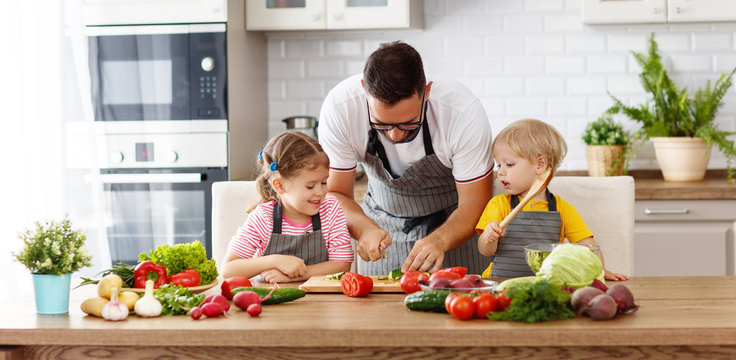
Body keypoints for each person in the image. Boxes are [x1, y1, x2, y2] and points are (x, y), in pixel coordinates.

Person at [318, 41, 493, 275]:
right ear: (364, 91)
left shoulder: (461, 112)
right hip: (382, 228)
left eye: (409, 124)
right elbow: (335, 193)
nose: (395, 135)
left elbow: (475, 202)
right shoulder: (341, 108)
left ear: (427, 92)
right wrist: (364, 229)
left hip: (455, 227)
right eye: (381, 124)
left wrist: (441, 239)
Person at [476, 118, 629, 281]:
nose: (500, 172)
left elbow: (588, 245)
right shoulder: (499, 204)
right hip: (501, 283)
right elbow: (486, 250)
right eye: (499, 165)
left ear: (540, 165)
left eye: (509, 164)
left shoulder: (562, 209)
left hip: (547, 284)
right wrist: (488, 237)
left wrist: (600, 269)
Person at [221, 131, 353, 283]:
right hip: (271, 301)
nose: (321, 191)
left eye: (324, 182)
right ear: (280, 186)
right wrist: (274, 261)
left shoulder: (330, 210)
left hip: (322, 302)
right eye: (310, 186)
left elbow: (342, 265)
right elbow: (228, 270)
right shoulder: (263, 218)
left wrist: (297, 274)